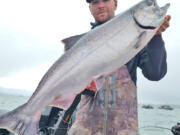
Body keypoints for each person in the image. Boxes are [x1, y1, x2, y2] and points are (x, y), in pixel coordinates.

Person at [58, 0, 171, 135]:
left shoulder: (136, 39)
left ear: (115, 4)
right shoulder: (80, 47)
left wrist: (155, 37)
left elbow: (155, 73)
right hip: (84, 130)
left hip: (124, 130)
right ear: (90, 8)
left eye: (105, 0)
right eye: (95, 2)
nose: (100, 5)